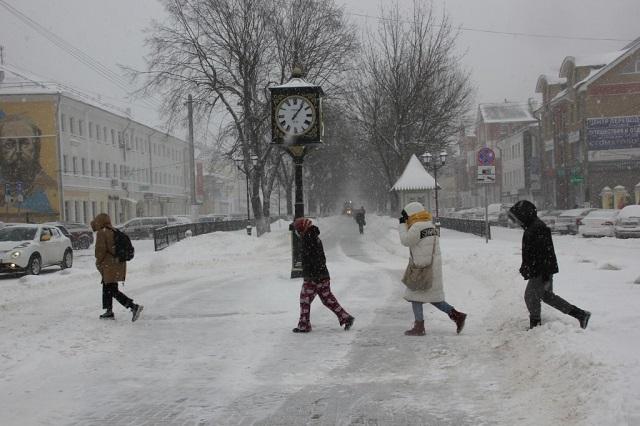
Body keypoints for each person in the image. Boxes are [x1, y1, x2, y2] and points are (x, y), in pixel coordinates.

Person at [508, 200, 591, 329]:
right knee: (546, 296)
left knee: (530, 296)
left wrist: (545, 274)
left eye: (516, 218)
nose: (515, 222)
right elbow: (532, 253)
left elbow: (545, 253)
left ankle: (535, 325)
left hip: (541, 271)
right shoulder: (532, 227)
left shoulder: (537, 228)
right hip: (540, 269)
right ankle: (580, 314)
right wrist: (526, 267)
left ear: (524, 215)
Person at [398, 201, 467, 336]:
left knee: (416, 296)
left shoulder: (417, 227)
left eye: (406, 217)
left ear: (412, 214)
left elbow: (405, 241)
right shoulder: (430, 225)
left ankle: (419, 327)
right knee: (433, 298)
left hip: (421, 269)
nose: (406, 219)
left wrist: (401, 225)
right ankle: (457, 315)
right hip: (432, 268)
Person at [292, 217, 354, 333]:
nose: (297, 233)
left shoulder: (308, 239)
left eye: (297, 230)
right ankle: (346, 318)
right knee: (327, 299)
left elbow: (312, 259)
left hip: (313, 277)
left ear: (302, 229)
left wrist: (311, 274)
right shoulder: (314, 237)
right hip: (322, 275)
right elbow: (320, 258)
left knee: (305, 299)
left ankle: (304, 325)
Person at [91, 213, 143, 322]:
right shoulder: (114, 230)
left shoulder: (102, 233)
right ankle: (109, 311)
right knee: (107, 287)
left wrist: (98, 262)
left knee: (111, 289)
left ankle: (133, 307)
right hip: (117, 263)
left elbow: (100, 251)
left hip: (109, 264)